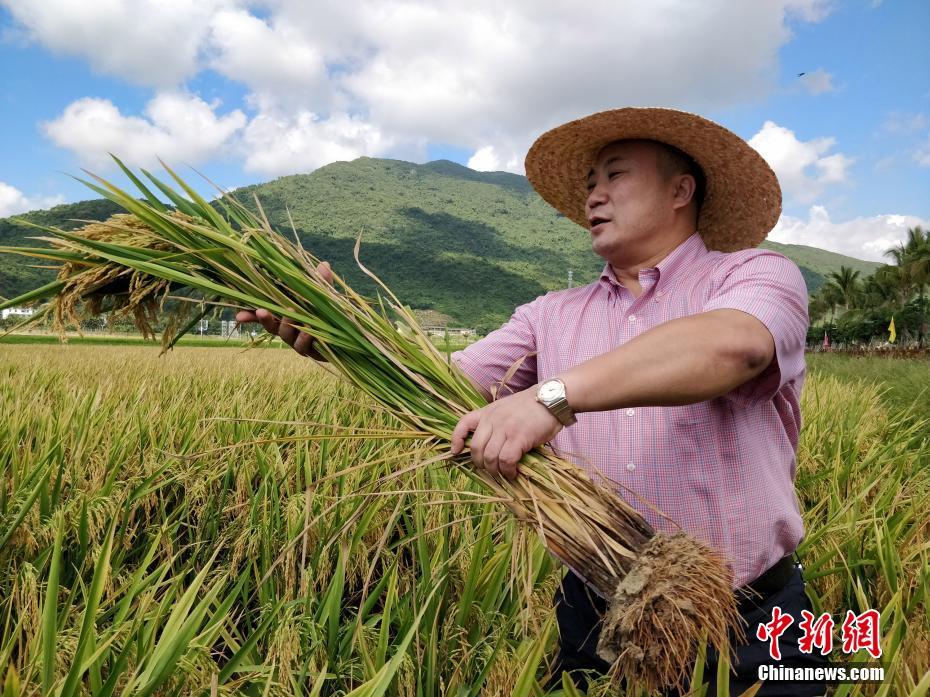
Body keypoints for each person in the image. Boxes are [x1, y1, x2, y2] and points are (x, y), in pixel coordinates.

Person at [238, 107, 828, 696]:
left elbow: (736, 346)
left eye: (614, 175)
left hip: (755, 618)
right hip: (602, 615)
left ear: (681, 189)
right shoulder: (550, 314)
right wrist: (340, 331)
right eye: (589, 182)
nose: (593, 194)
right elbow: (439, 382)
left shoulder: (755, 275)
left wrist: (550, 400)